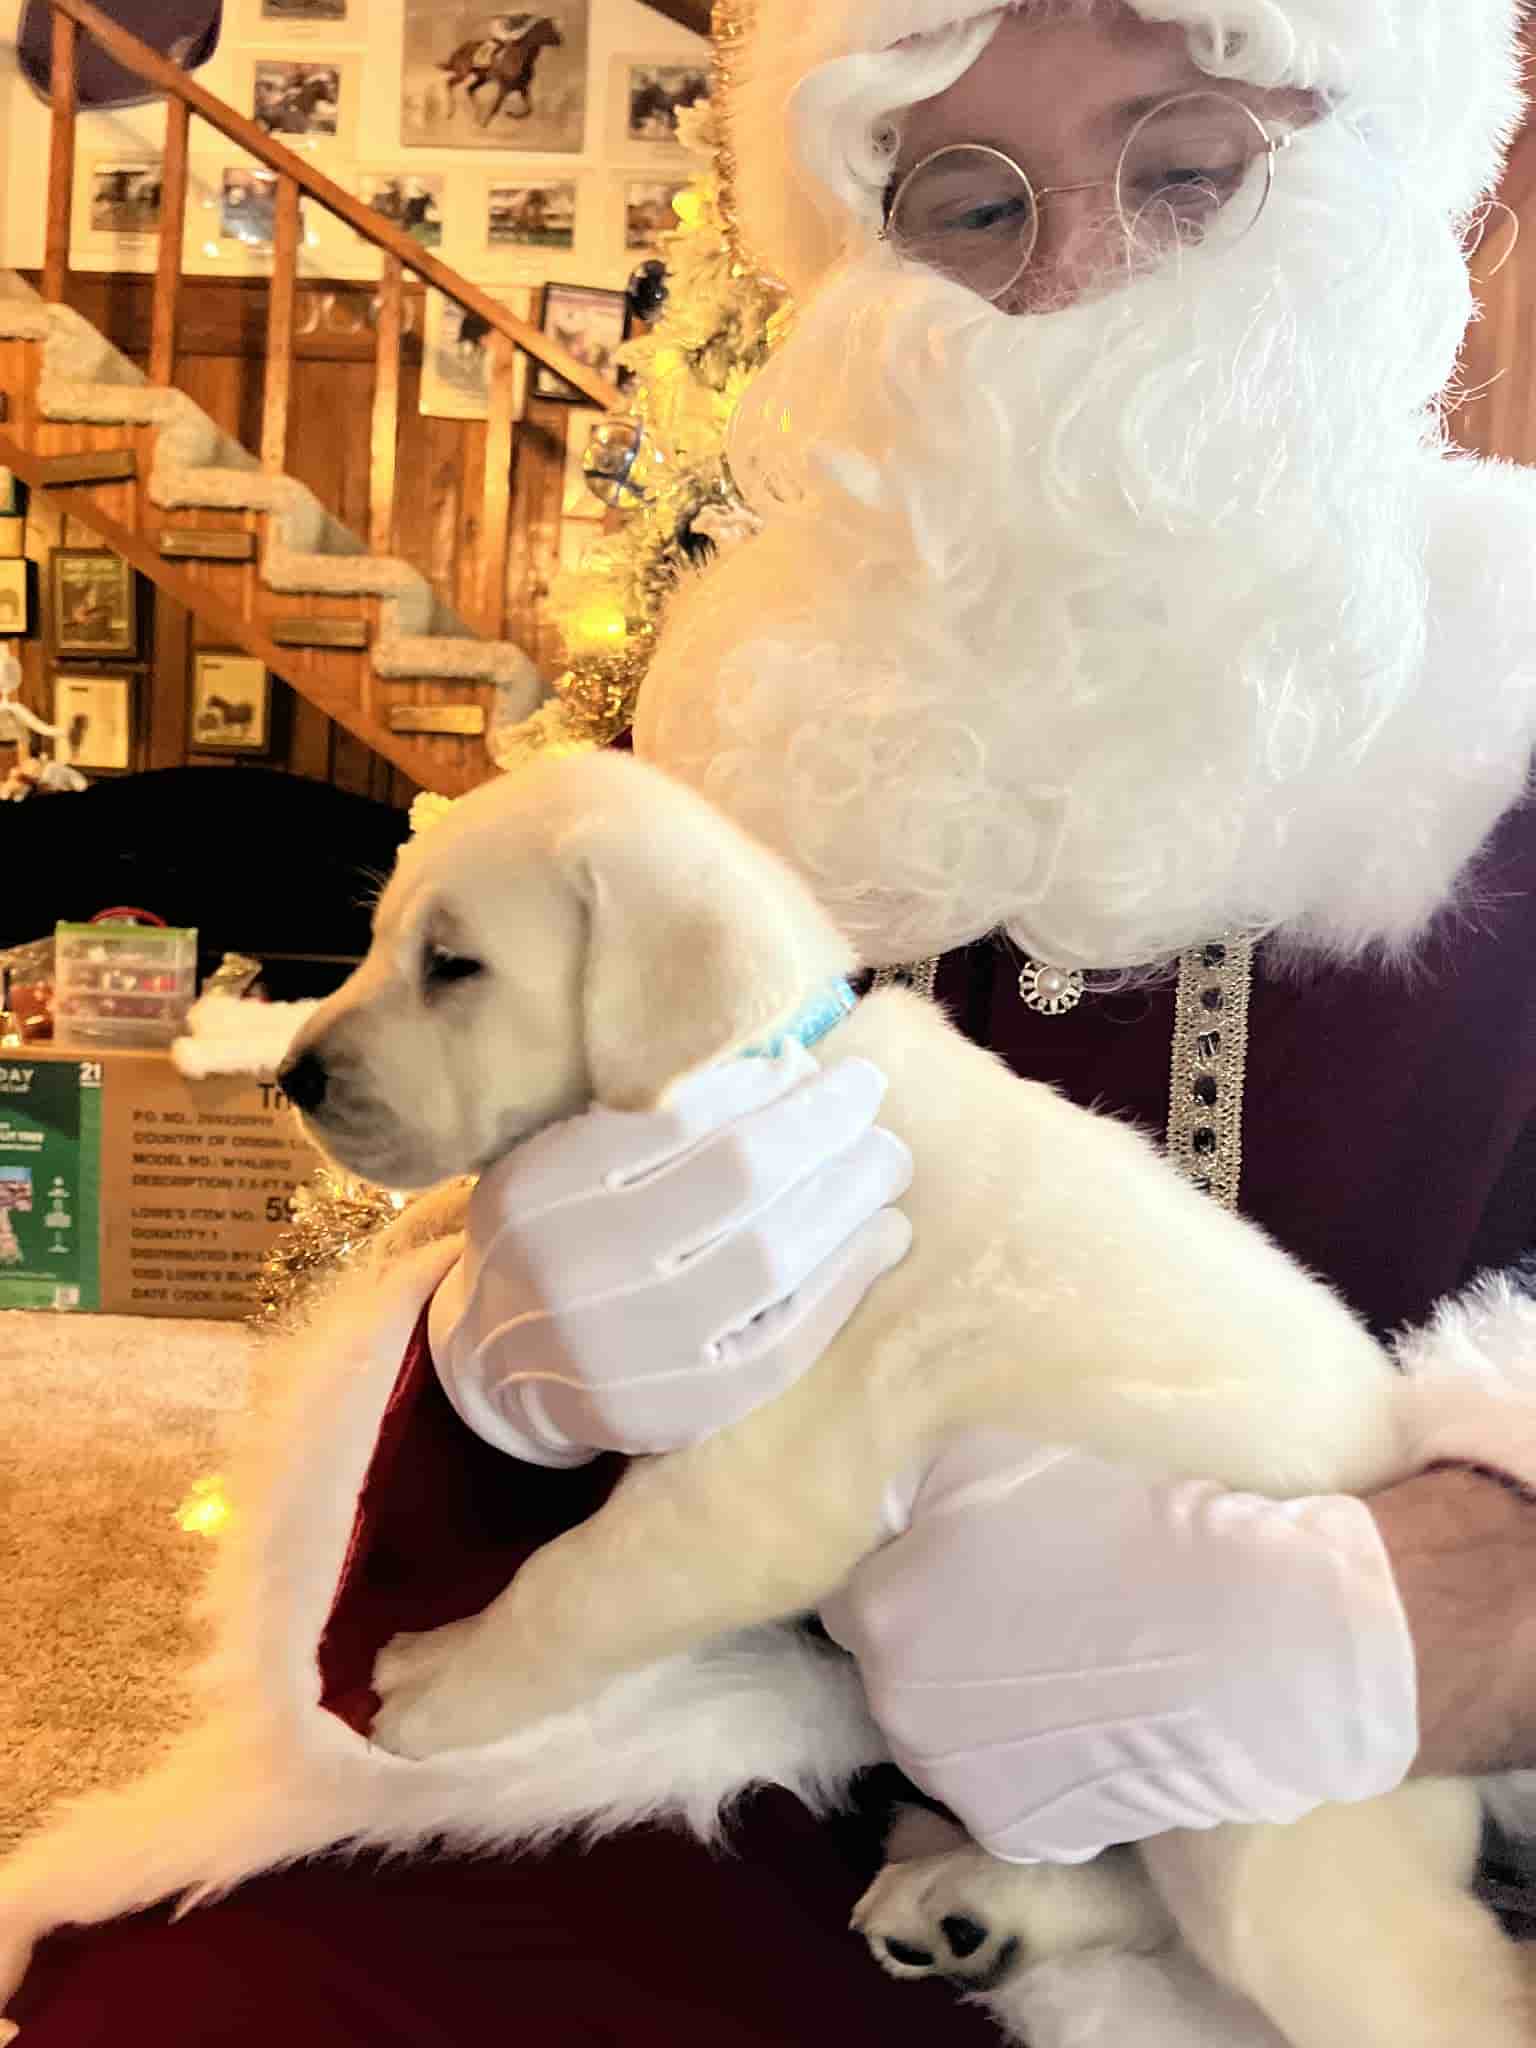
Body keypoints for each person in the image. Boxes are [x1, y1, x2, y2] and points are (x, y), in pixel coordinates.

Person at [11, 1, 1536, 2042]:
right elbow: (536, 1272)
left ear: (1377, 180)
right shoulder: (768, 720)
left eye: (1184, 167)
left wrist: (1453, 1614)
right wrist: (493, 1364)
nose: (1069, 272)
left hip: (1373, 1826)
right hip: (767, 1752)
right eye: (965, 201)